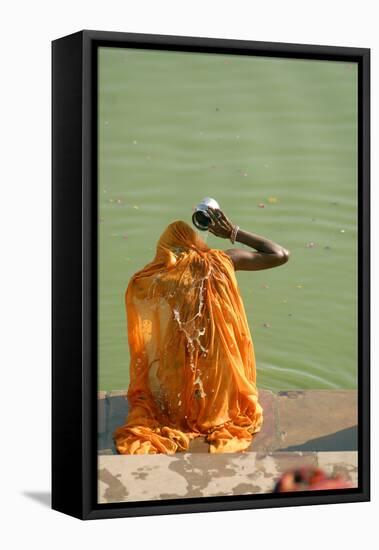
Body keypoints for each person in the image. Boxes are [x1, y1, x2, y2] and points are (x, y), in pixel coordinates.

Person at [113, 208, 290, 454]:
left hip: (179, 349)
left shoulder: (161, 276)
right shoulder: (224, 260)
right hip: (220, 350)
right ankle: (213, 415)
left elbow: (138, 289)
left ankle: (186, 415)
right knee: (217, 391)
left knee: (175, 396)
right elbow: (280, 254)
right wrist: (233, 232)